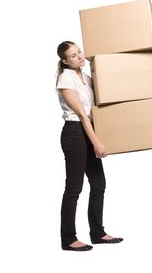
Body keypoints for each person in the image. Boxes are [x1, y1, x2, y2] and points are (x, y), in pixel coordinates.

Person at [56, 41, 123, 251]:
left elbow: (98, 107)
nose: (79, 56)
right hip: (75, 133)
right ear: (65, 61)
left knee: (99, 183)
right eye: (74, 56)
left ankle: (97, 233)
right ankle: (68, 239)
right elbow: (82, 115)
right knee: (74, 188)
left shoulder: (85, 77)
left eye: (79, 52)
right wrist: (97, 142)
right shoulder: (65, 78)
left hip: (89, 130)